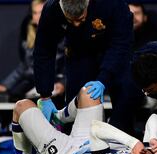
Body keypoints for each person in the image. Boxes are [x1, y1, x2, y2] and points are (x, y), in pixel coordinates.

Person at [3, 86, 157, 154]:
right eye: (146, 152)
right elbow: (155, 118)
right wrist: (154, 139)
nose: (142, 151)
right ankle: (58, 117)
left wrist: (133, 143)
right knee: (89, 92)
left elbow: (96, 128)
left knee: (21, 106)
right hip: (87, 142)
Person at [34, 0, 142, 134]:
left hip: (114, 51)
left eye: (80, 19)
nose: (76, 24)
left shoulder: (113, 4)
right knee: (76, 107)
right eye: (70, 20)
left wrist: (104, 78)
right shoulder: (52, 9)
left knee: (125, 99)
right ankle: (72, 148)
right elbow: (43, 51)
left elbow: (121, 44)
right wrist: (44, 95)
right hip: (79, 53)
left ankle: (121, 145)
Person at [0, 0, 65, 102]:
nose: (38, 16)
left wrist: (63, 83)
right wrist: (5, 85)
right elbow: (26, 66)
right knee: (15, 100)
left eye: (41, 12)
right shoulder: (28, 31)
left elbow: (71, 63)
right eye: (35, 12)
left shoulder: (62, 31)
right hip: (34, 83)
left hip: (56, 82)